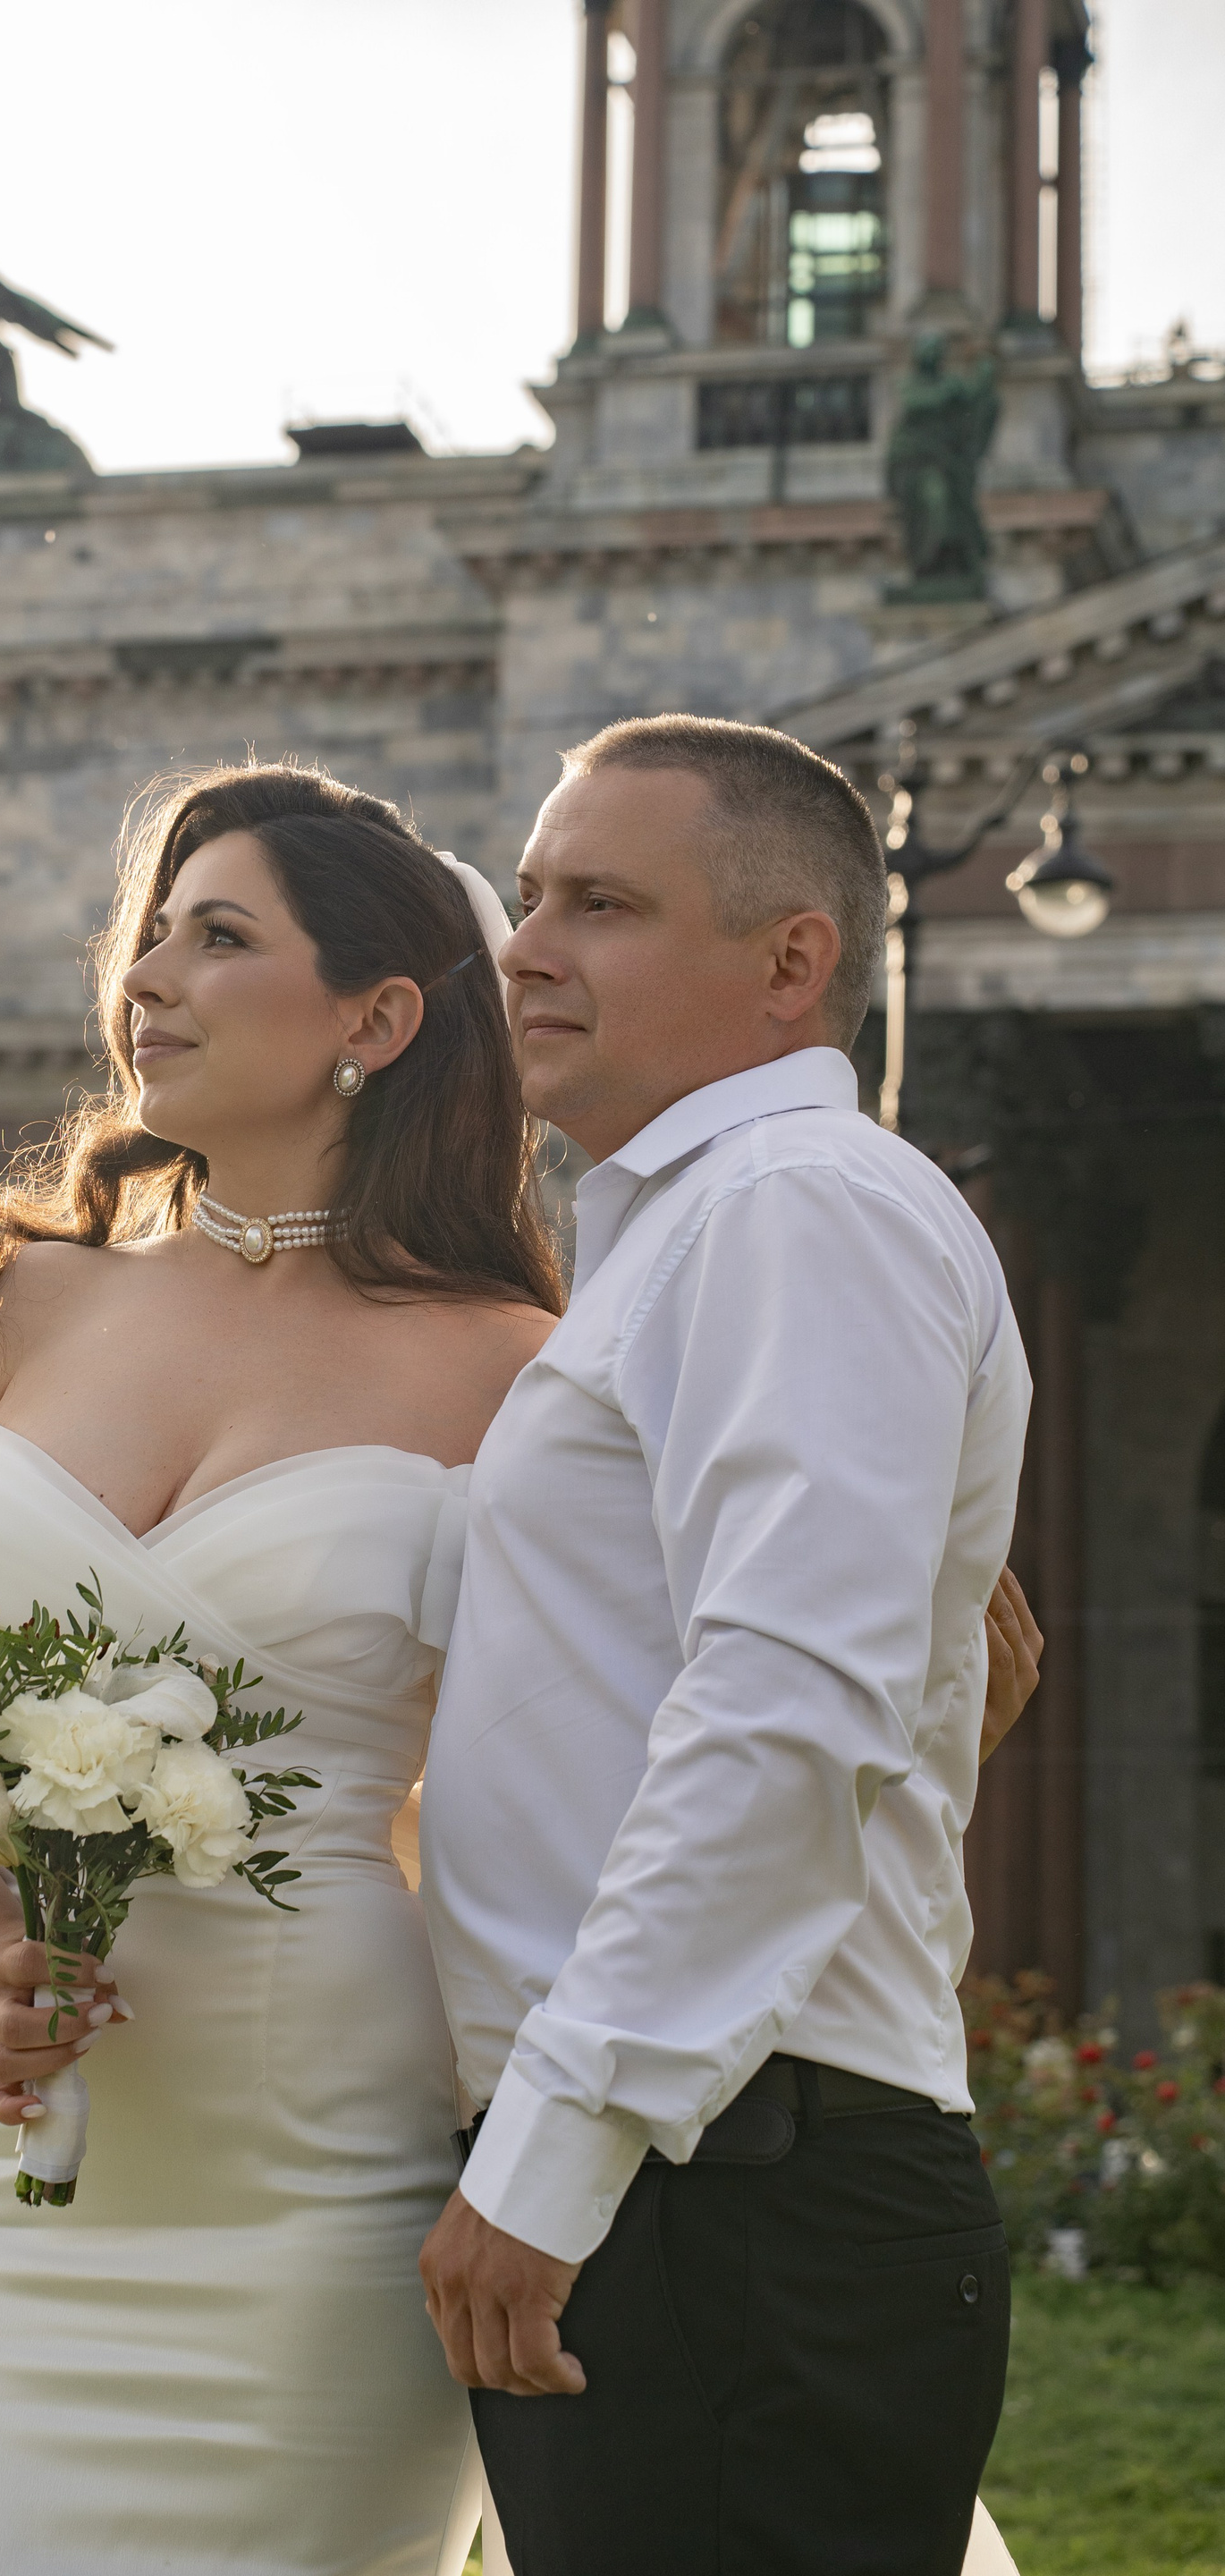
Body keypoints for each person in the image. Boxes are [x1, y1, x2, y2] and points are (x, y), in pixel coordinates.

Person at [0, 753, 1038, 2576]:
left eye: (219, 938)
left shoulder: (527, 1366)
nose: (147, 977)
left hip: (329, 2160)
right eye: (152, 935)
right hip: (1, 2150)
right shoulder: (22, 1301)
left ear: (376, 1020)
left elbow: (699, 1704)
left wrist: (928, 1720)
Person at [417, 716, 1035, 2576]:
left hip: (722, 2177)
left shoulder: (794, 1208)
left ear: (791, 962)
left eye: (600, 906)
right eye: (530, 895)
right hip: (702, 2166)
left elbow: (784, 1704)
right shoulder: (693, 1229)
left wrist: (553, 2152)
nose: (525, 948)